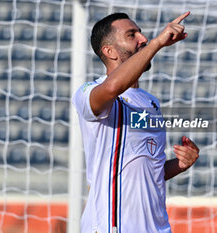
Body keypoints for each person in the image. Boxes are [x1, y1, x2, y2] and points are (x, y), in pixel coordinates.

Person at [72, 11, 200, 233]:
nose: (143, 38)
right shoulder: (88, 93)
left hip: (157, 228)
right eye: (132, 35)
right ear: (109, 51)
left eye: (140, 32)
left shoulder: (152, 102)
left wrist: (180, 164)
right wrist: (157, 44)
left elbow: (150, 169)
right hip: (112, 227)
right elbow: (113, 88)